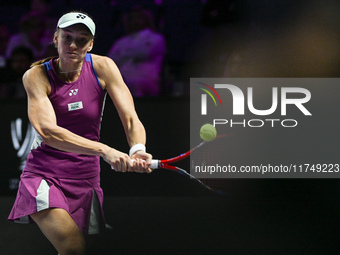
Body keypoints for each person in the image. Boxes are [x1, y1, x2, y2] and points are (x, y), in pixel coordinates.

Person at [8, 11, 153, 255]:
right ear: (56, 38)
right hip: (44, 175)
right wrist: (104, 150)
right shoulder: (36, 76)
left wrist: (138, 149)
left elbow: (130, 118)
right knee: (72, 246)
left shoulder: (104, 67)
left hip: (85, 177)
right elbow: (48, 132)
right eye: (67, 37)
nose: (73, 45)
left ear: (91, 44)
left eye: (82, 40)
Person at [107, 6, 166, 97]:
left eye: (138, 18)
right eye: (132, 18)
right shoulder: (121, 42)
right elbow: (110, 60)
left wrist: (123, 54)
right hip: (123, 79)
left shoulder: (156, 38)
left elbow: (145, 53)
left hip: (147, 81)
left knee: (134, 85)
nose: (135, 21)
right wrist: (131, 54)